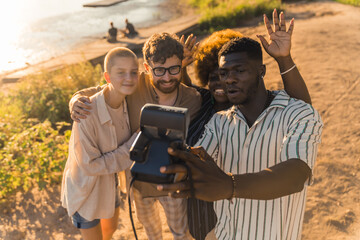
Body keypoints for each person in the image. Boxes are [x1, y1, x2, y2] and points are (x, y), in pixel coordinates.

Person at [157, 26, 323, 240]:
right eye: (224, 73)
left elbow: (295, 176)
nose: (229, 79)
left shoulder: (297, 113)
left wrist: (230, 186)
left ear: (261, 71)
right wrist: (171, 161)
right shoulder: (218, 123)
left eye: (239, 71)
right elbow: (196, 159)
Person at [69, 32, 201, 240]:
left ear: (181, 66)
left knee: (180, 232)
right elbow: (100, 92)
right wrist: (75, 99)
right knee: (152, 232)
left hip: (173, 182)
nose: (167, 77)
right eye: (159, 70)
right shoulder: (135, 84)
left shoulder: (193, 99)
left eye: (174, 69)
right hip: (138, 184)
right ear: (147, 69)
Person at [61, 47, 140, 240]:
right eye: (120, 73)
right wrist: (133, 146)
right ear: (107, 76)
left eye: (133, 72)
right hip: (84, 188)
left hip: (109, 183)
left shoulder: (128, 101)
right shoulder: (86, 112)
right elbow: (90, 165)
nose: (128, 78)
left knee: (110, 231)